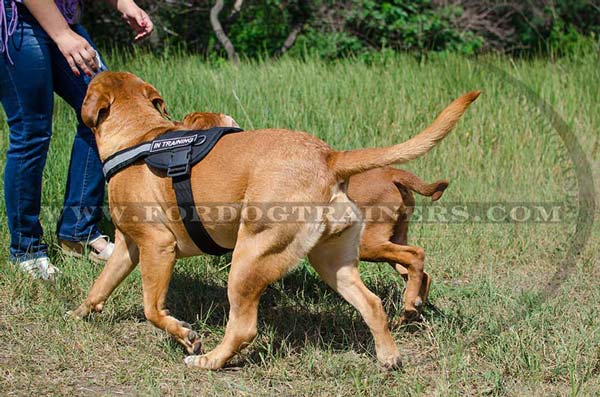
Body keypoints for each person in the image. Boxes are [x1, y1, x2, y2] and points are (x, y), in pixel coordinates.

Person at [0, 0, 153, 280]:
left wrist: (123, 3)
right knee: (31, 132)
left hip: (64, 19)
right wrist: (61, 34)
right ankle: (27, 249)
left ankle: (77, 231)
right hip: (17, 21)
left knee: (104, 114)